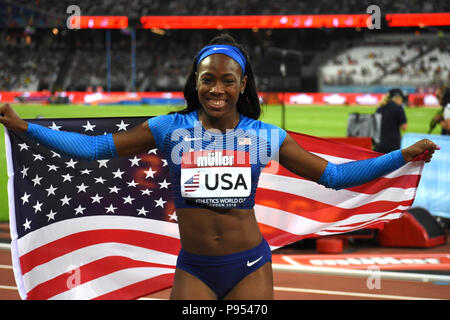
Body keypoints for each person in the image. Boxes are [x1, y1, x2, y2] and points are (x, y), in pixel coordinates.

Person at [0, 34, 439, 300]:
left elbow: (335, 176)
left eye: (227, 80)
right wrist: (25, 129)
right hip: (194, 268)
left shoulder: (265, 136)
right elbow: (98, 148)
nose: (216, 88)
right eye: (207, 79)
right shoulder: (169, 128)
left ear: (242, 84)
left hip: (249, 264)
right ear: (196, 82)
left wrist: (402, 155)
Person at [374, 88, 408, 153]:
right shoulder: (398, 108)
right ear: (398, 98)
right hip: (393, 144)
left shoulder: (379, 108)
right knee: (392, 162)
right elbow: (404, 127)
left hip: (379, 143)